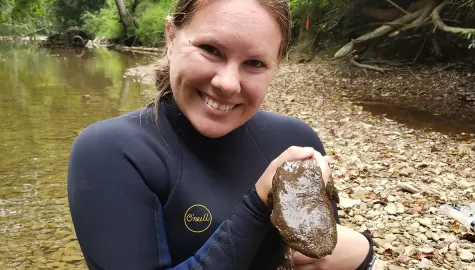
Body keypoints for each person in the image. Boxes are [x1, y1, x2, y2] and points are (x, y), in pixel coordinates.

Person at [67, 0, 377, 269]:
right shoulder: (109, 152)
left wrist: (364, 253)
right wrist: (260, 204)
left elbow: (322, 256)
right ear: (171, 37)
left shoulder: (296, 139)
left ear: (276, 65)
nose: (228, 83)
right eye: (211, 50)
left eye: (254, 63)